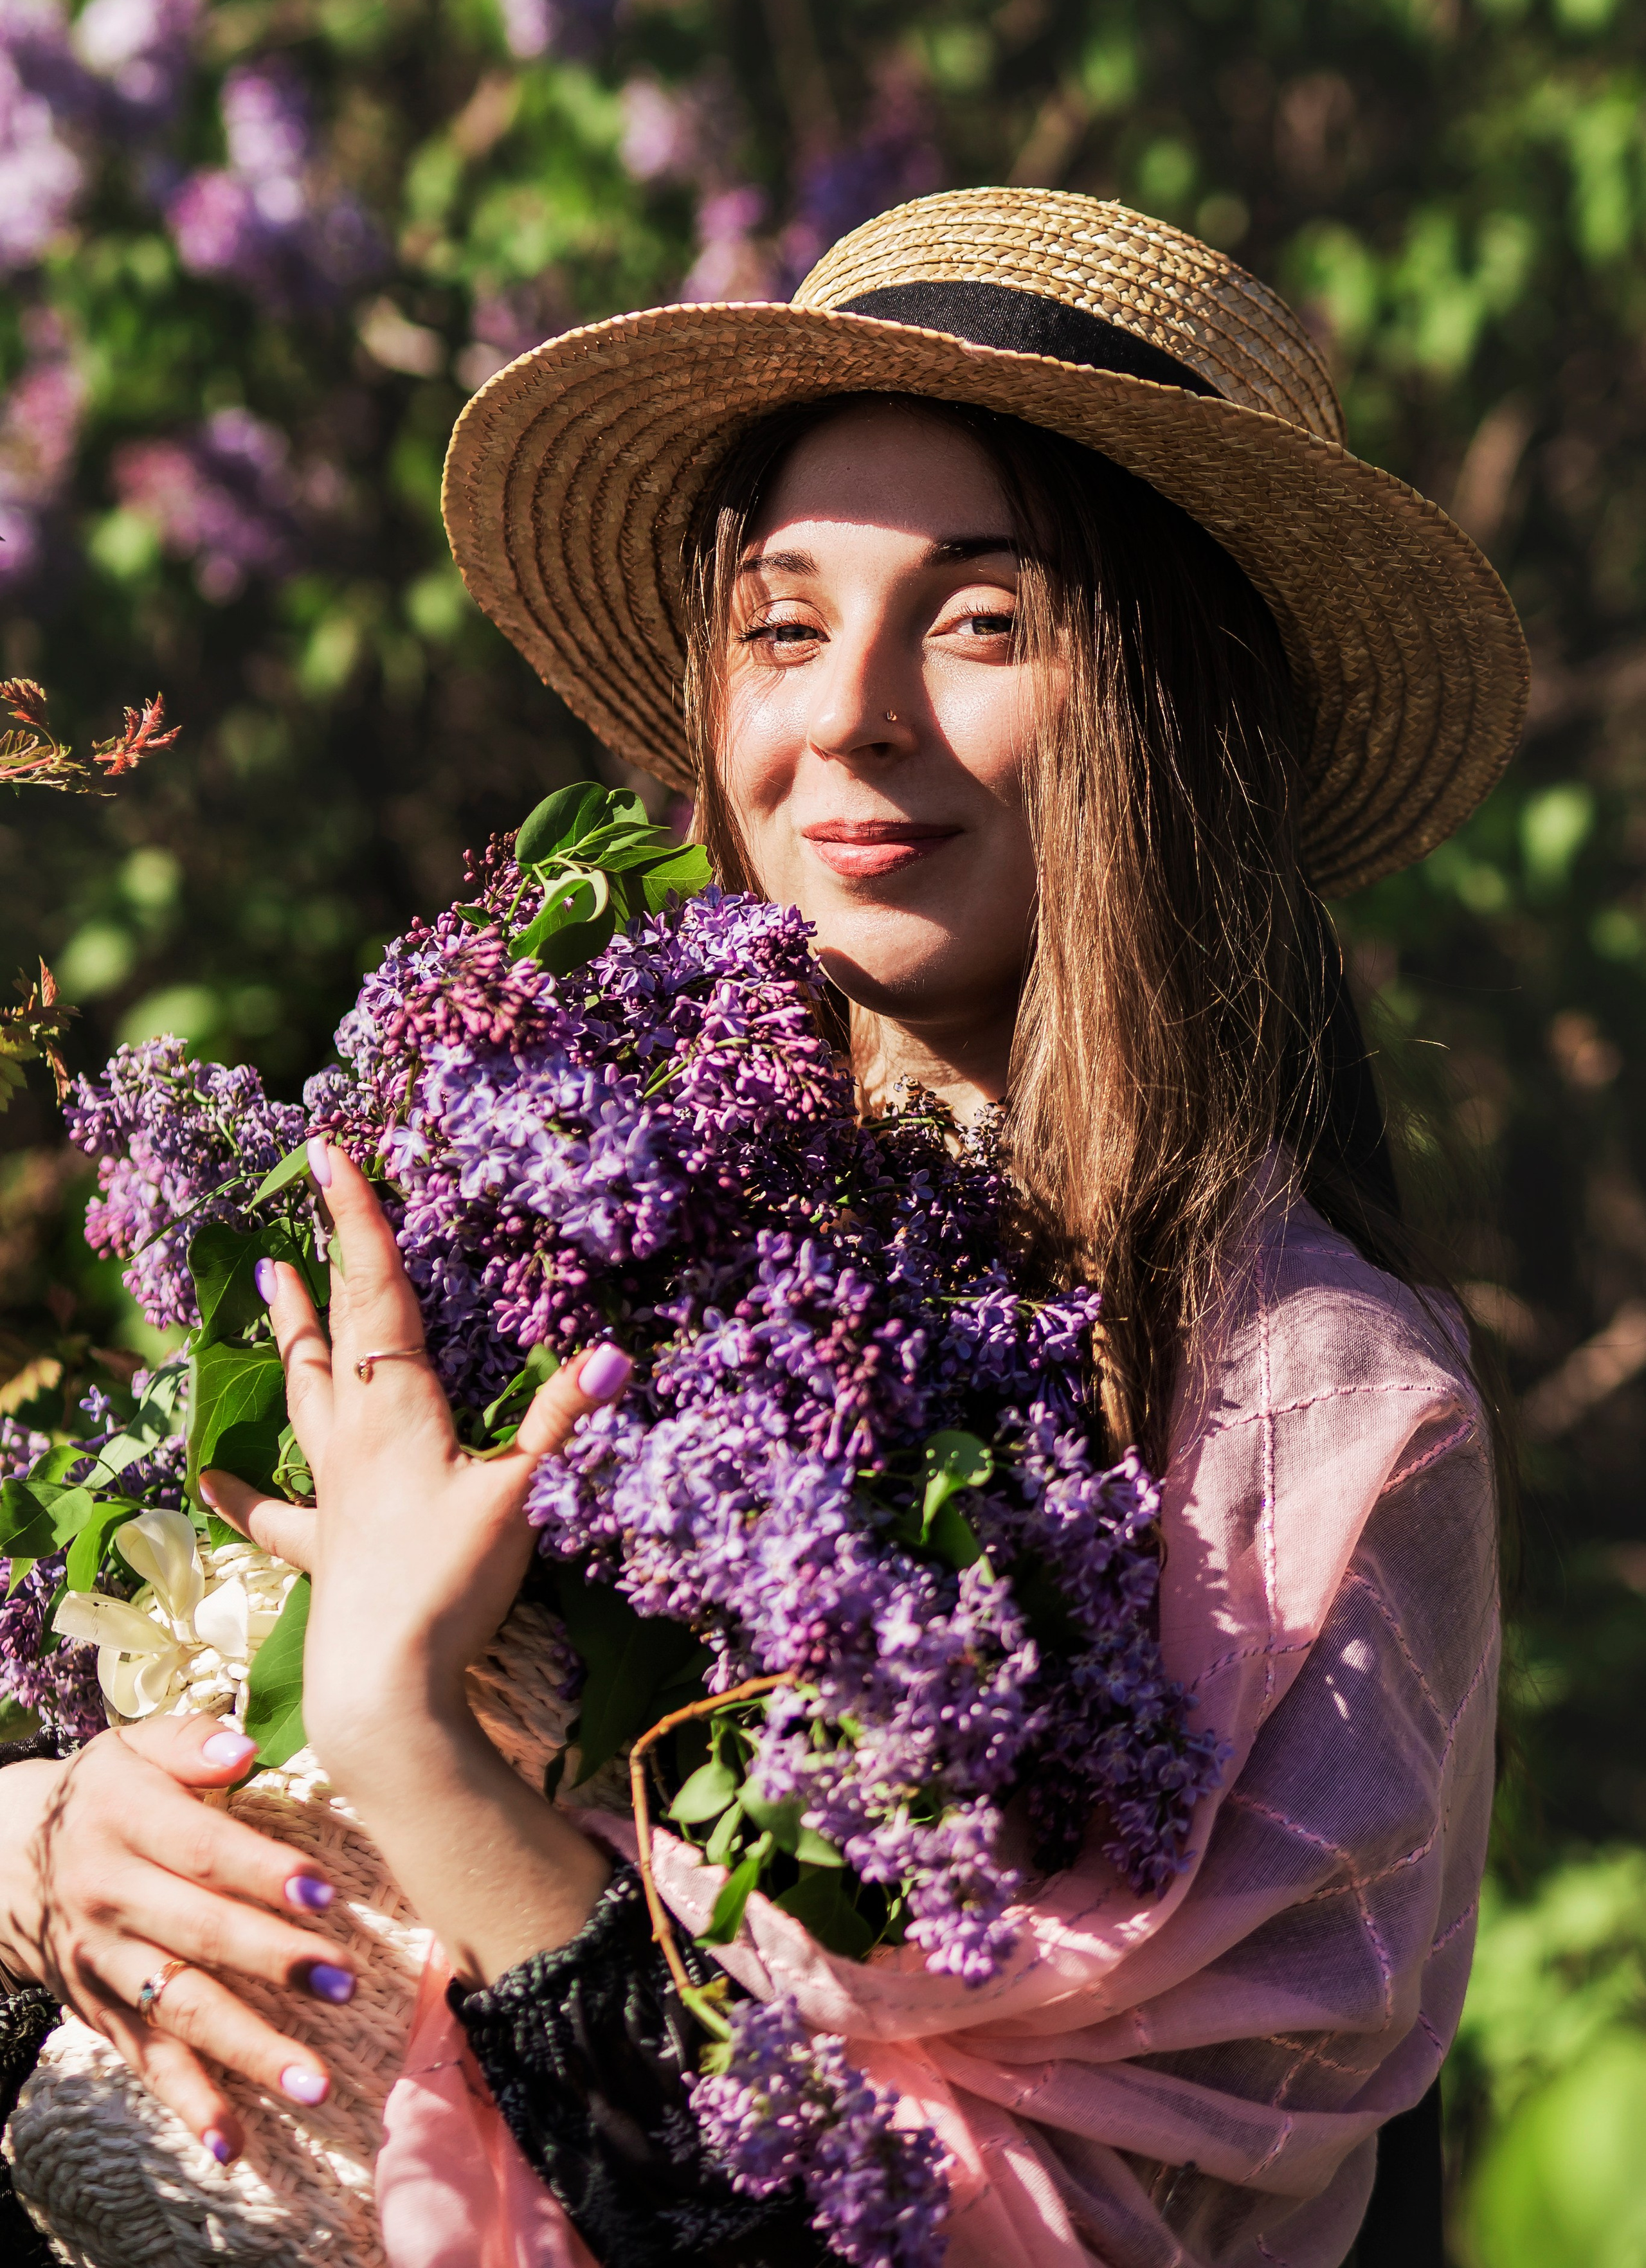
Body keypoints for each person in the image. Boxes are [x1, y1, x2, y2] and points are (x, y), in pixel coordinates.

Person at [0, 189, 1524, 2267]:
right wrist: (54, 1844)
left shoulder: (1321, 1427)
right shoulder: (523, 1187)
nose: (851, 716)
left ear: (1181, 708)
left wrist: (411, 1743)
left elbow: (982, 2232)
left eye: (983, 622)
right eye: (784, 626)